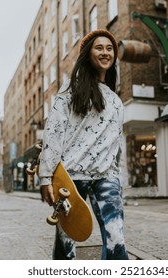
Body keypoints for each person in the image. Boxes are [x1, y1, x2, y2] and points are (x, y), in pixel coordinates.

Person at [38, 29, 128, 260]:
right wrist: (46, 177)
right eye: (100, 48)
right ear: (88, 53)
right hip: (70, 179)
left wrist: (119, 181)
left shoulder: (116, 101)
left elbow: (116, 146)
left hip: (106, 177)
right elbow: (54, 132)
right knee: (65, 246)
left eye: (110, 49)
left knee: (116, 240)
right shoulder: (70, 90)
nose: (105, 52)